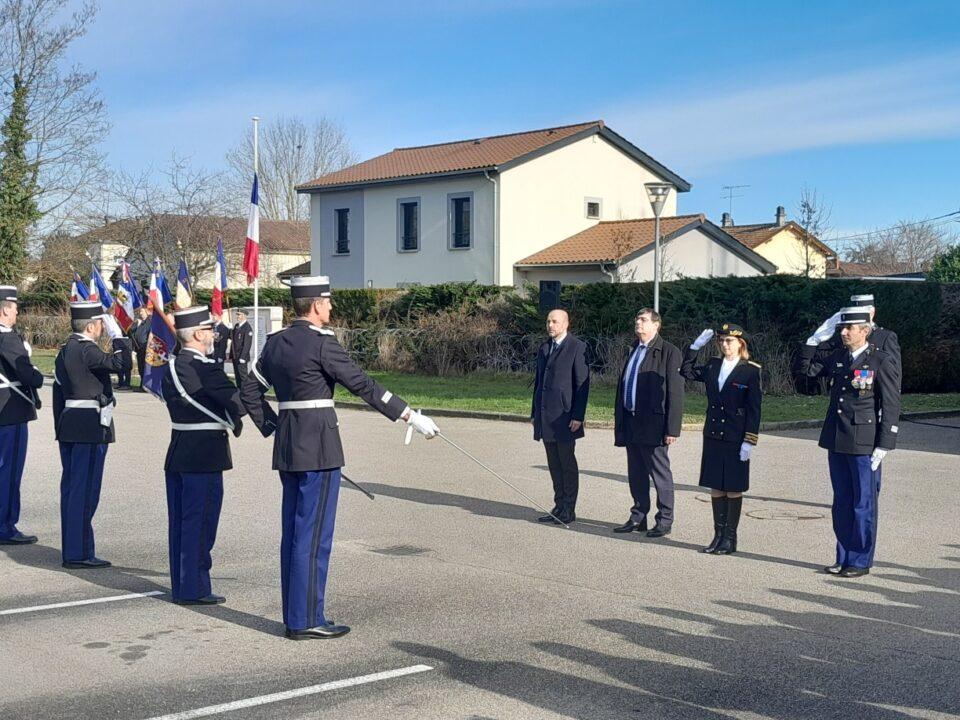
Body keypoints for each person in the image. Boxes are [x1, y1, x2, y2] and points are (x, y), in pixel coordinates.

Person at [241, 275, 440, 640]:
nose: (331, 307)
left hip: (288, 447)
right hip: (318, 448)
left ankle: (297, 615)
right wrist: (409, 415)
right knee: (314, 536)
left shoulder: (276, 343)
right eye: (328, 302)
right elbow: (364, 385)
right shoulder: (321, 344)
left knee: (295, 533)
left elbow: (249, 389)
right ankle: (307, 620)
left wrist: (273, 427)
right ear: (316, 305)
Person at [793, 307, 900, 578]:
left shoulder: (880, 360)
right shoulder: (838, 357)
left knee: (863, 503)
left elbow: (890, 403)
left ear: (864, 331)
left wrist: (885, 443)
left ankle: (860, 560)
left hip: (864, 443)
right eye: (842, 328)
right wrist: (813, 341)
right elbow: (806, 371)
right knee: (841, 502)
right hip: (837, 439)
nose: (843, 332)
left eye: (848, 328)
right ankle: (843, 556)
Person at [161, 306, 246, 605]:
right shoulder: (206, 369)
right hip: (205, 454)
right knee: (201, 522)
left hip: (179, 449)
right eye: (210, 329)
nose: (214, 334)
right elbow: (239, 402)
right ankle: (195, 587)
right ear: (198, 334)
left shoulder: (169, 367)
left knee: (181, 522)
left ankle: (182, 584)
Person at [52, 301, 131, 568]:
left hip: (70, 424)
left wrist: (60, 427)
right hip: (88, 427)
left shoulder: (64, 351)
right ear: (90, 325)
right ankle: (79, 553)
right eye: (100, 323)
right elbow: (121, 363)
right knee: (85, 492)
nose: (101, 328)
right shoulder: (86, 349)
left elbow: (57, 395)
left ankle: (73, 548)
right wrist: (119, 335)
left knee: (72, 491)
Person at [681, 323, 762, 555]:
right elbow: (686, 371)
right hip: (714, 433)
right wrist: (694, 348)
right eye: (722, 341)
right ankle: (717, 536)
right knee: (716, 486)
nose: (725, 345)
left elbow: (754, 409)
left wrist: (750, 440)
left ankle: (730, 538)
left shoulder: (751, 370)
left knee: (733, 487)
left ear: (741, 344)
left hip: (737, 436)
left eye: (730, 341)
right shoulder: (713, 365)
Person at [613, 308, 684, 537]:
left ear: (656, 325)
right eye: (637, 319)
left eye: (643, 320)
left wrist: (672, 428)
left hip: (654, 423)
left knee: (659, 473)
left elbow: (675, 392)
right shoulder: (634, 349)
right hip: (631, 420)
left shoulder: (668, 352)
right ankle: (638, 516)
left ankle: (664, 520)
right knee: (636, 472)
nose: (638, 323)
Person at [531, 309, 589, 525]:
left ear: (566, 323)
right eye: (548, 321)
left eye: (555, 321)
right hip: (546, 415)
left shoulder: (576, 347)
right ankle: (558, 505)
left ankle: (569, 508)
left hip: (565, 417)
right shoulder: (545, 347)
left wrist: (578, 415)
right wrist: (534, 412)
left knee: (567, 463)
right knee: (553, 464)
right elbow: (539, 383)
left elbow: (582, 384)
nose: (550, 325)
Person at [0, 286, 44, 545]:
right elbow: (31, 377)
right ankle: (5, 526)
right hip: (11, 412)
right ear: (5, 309)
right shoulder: (8, 338)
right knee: (9, 470)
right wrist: (34, 368)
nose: (17, 312)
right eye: (15, 307)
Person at [130, 306, 152, 391]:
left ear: (146, 312)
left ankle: (146, 386)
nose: (140, 313)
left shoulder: (149, 322)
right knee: (140, 367)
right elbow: (131, 331)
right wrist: (137, 324)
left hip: (146, 348)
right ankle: (142, 385)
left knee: (146, 367)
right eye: (139, 312)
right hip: (139, 348)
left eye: (142, 312)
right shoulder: (138, 322)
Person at [230, 309, 253, 385]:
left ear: (244, 316)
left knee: (243, 377)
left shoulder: (247, 328)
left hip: (241, 357)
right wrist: (230, 330)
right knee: (237, 377)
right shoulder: (237, 326)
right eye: (237, 315)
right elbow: (232, 338)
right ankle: (239, 393)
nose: (238, 316)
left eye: (239, 315)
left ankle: (246, 394)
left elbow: (247, 344)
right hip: (235, 356)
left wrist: (243, 357)